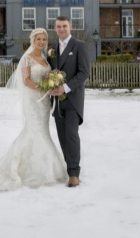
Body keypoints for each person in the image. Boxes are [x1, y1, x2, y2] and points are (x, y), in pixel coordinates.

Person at [0, 28, 68, 191]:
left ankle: (47, 168)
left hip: (44, 102)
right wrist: (43, 86)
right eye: (38, 39)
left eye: (44, 40)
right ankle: (31, 170)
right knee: (33, 131)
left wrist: (52, 83)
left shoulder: (45, 59)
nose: (41, 42)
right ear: (33, 40)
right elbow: (26, 81)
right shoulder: (27, 59)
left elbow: (48, 76)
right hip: (32, 101)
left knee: (43, 131)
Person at [48, 16, 90, 188]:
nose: (62, 29)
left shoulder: (79, 46)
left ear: (70, 27)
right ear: (55, 28)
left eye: (64, 26)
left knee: (71, 135)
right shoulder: (52, 49)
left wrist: (65, 88)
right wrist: (48, 86)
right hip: (57, 102)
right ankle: (69, 168)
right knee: (63, 137)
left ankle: (74, 174)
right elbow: (49, 72)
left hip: (73, 100)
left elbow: (84, 72)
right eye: (58, 26)